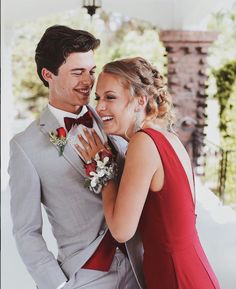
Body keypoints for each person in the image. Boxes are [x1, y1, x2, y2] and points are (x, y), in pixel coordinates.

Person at [8, 26, 146, 289]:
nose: (88, 81)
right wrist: (57, 285)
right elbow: (26, 232)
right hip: (84, 275)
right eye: (77, 72)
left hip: (136, 265)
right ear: (48, 75)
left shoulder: (111, 118)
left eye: (91, 71)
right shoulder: (25, 147)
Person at [77, 57, 221, 289]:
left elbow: (122, 230)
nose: (100, 106)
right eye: (98, 97)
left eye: (110, 97)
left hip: (175, 278)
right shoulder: (169, 138)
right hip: (194, 272)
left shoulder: (143, 143)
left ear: (140, 101)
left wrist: (100, 165)